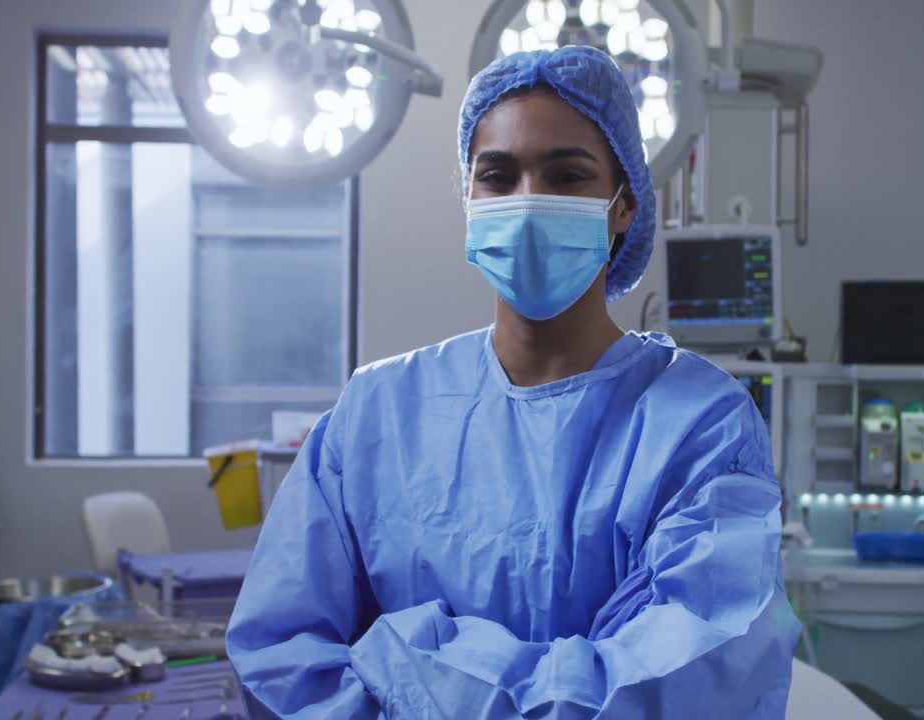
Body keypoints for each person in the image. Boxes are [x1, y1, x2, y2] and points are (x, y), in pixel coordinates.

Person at [227, 45, 799, 719]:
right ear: (468, 198)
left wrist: (407, 658)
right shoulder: (377, 412)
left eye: (566, 175)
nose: (529, 204)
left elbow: (680, 686)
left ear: (623, 205)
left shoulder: (700, 425)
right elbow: (277, 659)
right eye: (498, 177)